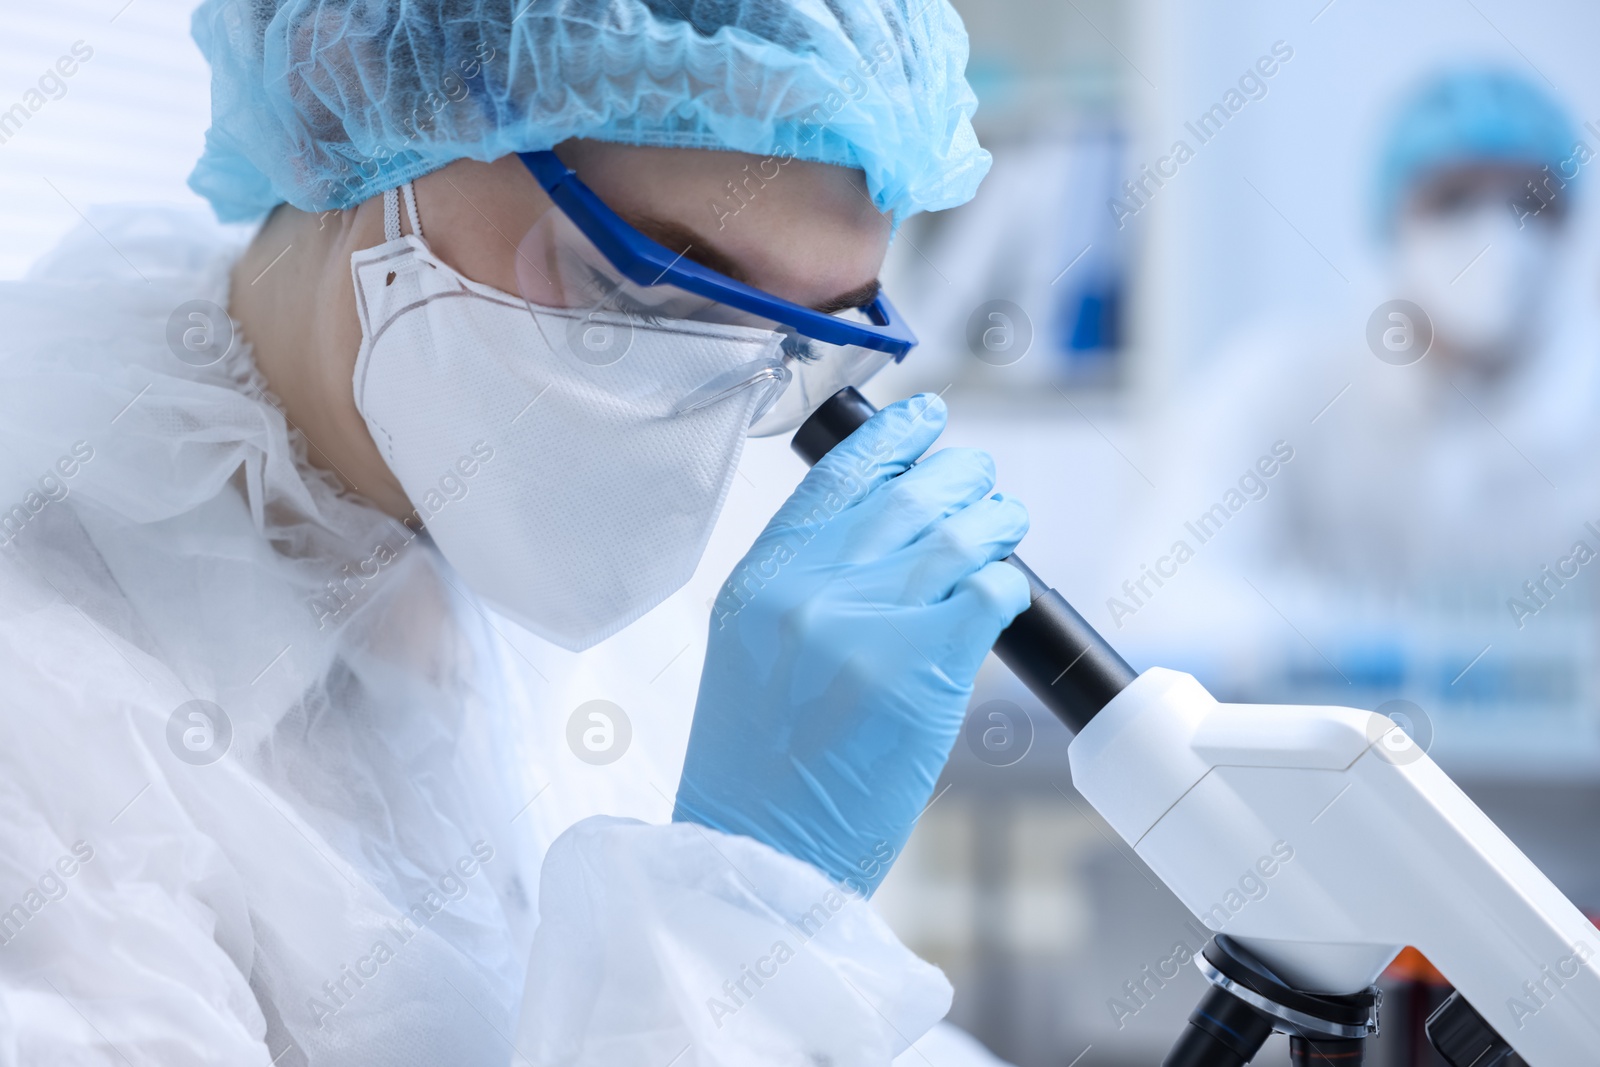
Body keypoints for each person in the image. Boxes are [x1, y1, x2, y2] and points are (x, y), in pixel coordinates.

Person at [0, 2, 1032, 1064]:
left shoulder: (598, 580)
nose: (692, 421)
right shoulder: (42, 699)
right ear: (343, 71)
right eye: (641, 287)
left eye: (796, 339)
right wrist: (736, 936)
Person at [1119, 67, 1600, 709]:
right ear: (1392, 218)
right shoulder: (1282, 385)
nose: (1496, 235)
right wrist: (1360, 649)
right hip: (1320, 792)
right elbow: (1155, 596)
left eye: (1530, 202)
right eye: (1454, 200)